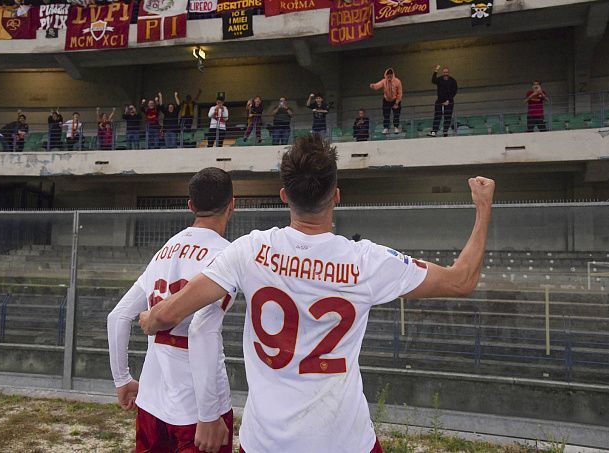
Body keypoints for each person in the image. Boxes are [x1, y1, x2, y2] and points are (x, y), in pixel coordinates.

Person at [139, 134, 495, 453]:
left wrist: (148, 319)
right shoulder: (367, 261)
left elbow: (169, 313)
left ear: (284, 196)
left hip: (265, 442)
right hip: (343, 440)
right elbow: (461, 281)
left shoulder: (250, 250)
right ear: (336, 195)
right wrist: (483, 208)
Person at [108, 167, 236, 453]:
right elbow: (202, 331)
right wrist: (209, 413)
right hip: (197, 409)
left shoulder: (164, 251)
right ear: (232, 205)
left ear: (190, 205)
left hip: (152, 402)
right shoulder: (227, 255)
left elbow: (118, 316)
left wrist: (122, 379)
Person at [369, 68, 403, 134]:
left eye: (391, 75)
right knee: (386, 115)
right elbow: (378, 85)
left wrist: (397, 102)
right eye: (388, 75)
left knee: (396, 114)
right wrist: (373, 86)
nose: (389, 76)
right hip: (386, 100)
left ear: (393, 75)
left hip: (395, 100)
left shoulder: (397, 81)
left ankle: (396, 127)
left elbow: (400, 93)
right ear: (386, 75)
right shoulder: (384, 81)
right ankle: (386, 128)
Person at [429, 65, 458, 137]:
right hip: (439, 100)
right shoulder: (440, 79)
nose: (445, 73)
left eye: (446, 72)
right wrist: (436, 70)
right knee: (437, 116)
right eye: (444, 72)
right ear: (443, 73)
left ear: (448, 73)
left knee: (448, 116)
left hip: (449, 101)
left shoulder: (453, 81)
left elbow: (454, 91)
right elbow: (433, 80)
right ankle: (434, 131)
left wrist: (448, 100)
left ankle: (445, 131)